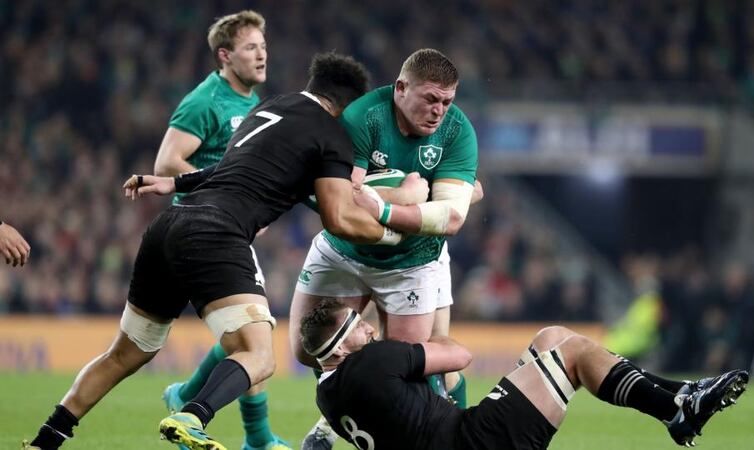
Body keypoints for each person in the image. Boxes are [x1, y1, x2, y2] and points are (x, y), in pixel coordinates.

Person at [23, 52, 397, 450]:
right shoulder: (333, 135)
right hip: (216, 232)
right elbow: (338, 218)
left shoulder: (270, 107)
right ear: (350, 105)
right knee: (259, 355)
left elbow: (230, 165)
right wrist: (391, 231)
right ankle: (191, 414)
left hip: (170, 225)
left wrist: (175, 183)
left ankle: (46, 440)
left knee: (125, 353)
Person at [293, 48, 479, 449]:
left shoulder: (458, 132)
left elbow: (451, 218)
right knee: (307, 350)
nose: (439, 111)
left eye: (447, 102)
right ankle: (332, 421)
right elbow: (342, 197)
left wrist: (383, 207)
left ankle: (450, 434)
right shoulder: (363, 117)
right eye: (430, 99)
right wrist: (410, 196)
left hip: (412, 262)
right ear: (400, 88)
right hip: (345, 250)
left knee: (409, 370)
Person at [300, 299, 749, 450]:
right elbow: (459, 356)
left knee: (551, 337)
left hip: (462, 437)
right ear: (339, 346)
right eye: (357, 327)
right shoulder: (374, 361)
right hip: (474, 442)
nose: (369, 327)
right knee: (572, 351)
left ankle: (683, 398)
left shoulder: (327, 397)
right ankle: (677, 409)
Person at [150, 10, 288, 450]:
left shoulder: (253, 104)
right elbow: (167, 161)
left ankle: (189, 396)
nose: (262, 54)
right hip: (204, 228)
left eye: (264, 46)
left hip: (226, 228)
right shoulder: (205, 100)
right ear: (225, 56)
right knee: (255, 333)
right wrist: (229, 194)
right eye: (251, 47)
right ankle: (254, 436)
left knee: (245, 335)